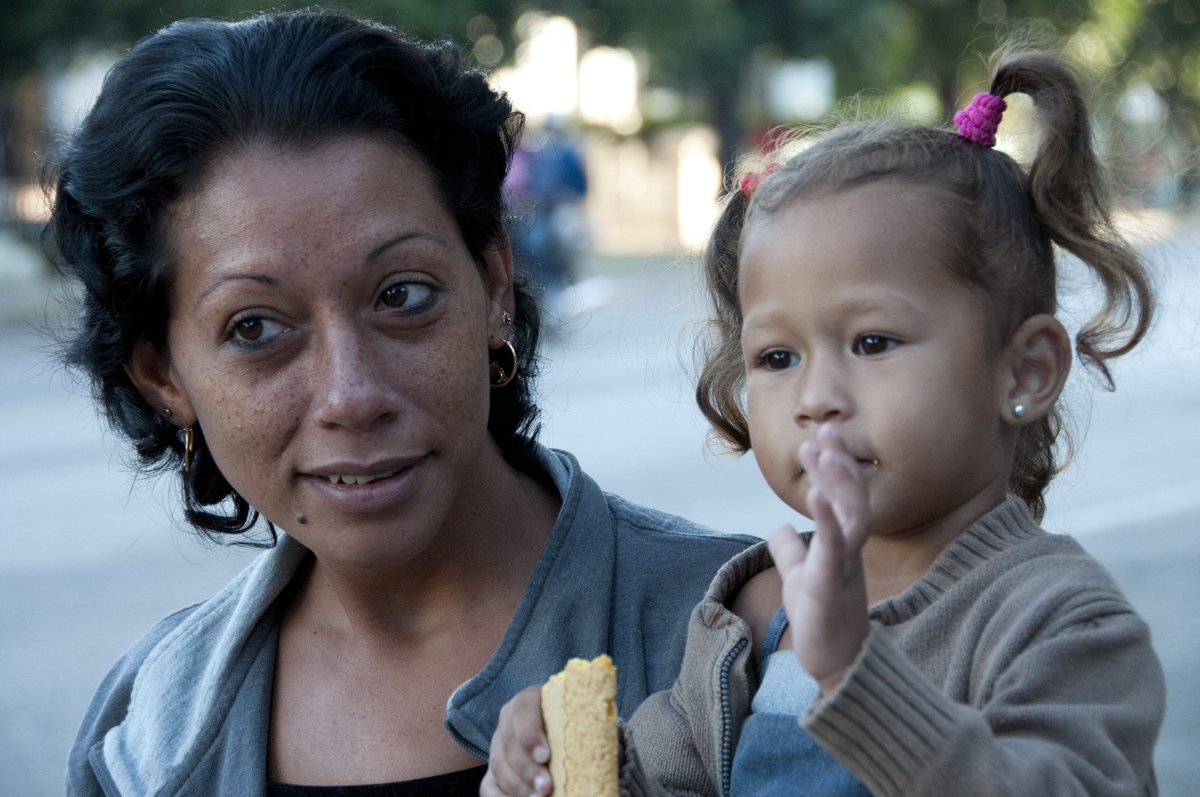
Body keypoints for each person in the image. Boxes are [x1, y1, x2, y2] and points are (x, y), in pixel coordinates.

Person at [47, 10, 754, 795]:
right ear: (163, 376)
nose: (352, 395)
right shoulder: (142, 737)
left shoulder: (751, 641)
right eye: (255, 328)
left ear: (493, 285)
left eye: (402, 295)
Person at [483, 51, 1166, 796]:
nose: (816, 398)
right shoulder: (755, 610)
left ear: (1025, 370)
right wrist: (563, 768)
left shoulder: (1059, 619)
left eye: (872, 343)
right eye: (778, 357)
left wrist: (854, 675)